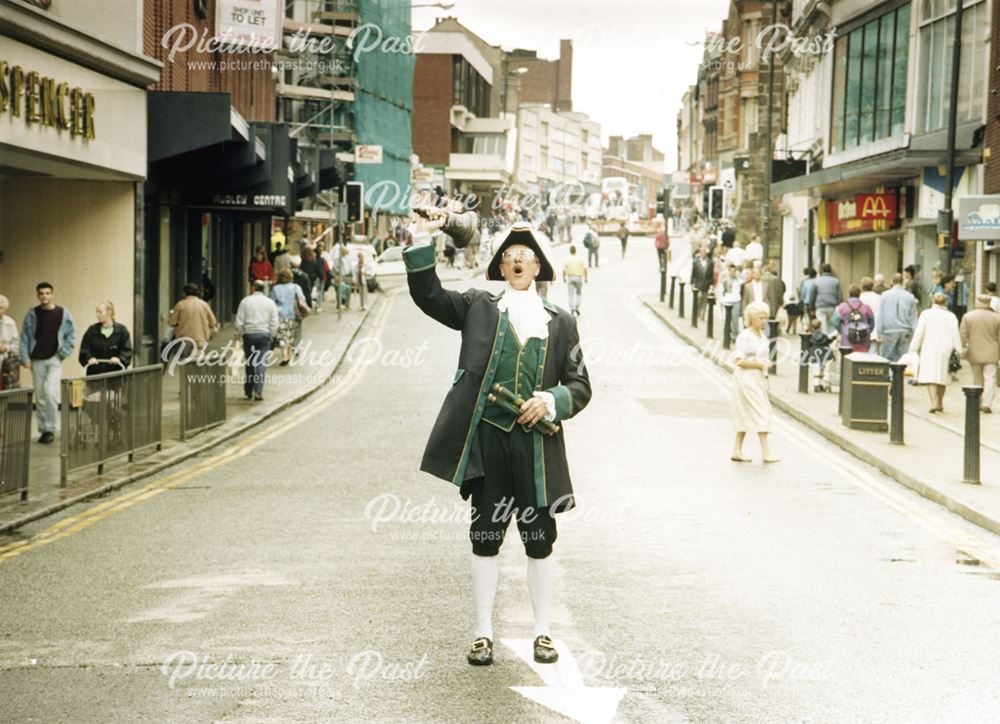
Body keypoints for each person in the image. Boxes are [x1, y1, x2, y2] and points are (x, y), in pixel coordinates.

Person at [403, 208, 591, 668]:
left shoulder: (562, 321)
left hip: (537, 449)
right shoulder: (476, 308)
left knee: (540, 539)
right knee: (485, 537)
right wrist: (424, 236)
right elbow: (428, 295)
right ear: (502, 267)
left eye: (527, 254)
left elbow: (581, 386)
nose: (519, 260)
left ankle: (543, 633)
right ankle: (482, 633)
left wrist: (550, 400)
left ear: (539, 266)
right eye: (511, 255)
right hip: (488, 445)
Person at [20, 282, 75, 444]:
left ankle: (50, 428)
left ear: (52, 294)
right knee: (41, 396)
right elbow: (24, 337)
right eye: (41, 293)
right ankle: (44, 430)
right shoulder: (32, 314)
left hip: (54, 359)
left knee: (51, 393)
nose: (44, 296)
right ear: (38, 295)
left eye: (47, 293)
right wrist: (25, 358)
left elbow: (71, 335)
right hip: (36, 359)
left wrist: (63, 353)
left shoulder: (63, 313)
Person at [730, 301, 778, 463]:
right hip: (746, 378)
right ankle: (766, 453)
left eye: (765, 318)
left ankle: (737, 450)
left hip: (757, 378)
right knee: (761, 411)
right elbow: (739, 361)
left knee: (745, 413)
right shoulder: (745, 336)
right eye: (760, 318)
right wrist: (760, 365)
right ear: (751, 319)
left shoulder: (762, 336)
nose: (763, 321)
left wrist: (764, 366)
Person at [909, 293, 962, 413]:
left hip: (929, 348)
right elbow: (955, 334)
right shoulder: (951, 316)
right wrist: (959, 350)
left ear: (933, 301)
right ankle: (940, 402)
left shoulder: (926, 314)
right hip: (946, 349)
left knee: (930, 376)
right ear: (946, 303)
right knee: (943, 376)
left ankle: (933, 401)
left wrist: (914, 348)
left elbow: (919, 332)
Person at [235, 280, 279, 401]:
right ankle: (258, 392)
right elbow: (274, 322)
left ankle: (248, 391)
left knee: (250, 363)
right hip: (264, 336)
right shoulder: (270, 303)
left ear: (253, 288)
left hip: (249, 335)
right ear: (263, 289)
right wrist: (272, 335)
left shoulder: (245, 301)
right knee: (261, 364)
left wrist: (239, 333)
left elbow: (239, 321)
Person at [960, 295, 1000, 413]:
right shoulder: (997, 318)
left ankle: (978, 402)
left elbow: (963, 335)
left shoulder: (968, 316)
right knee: (990, 378)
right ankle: (987, 404)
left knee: (977, 379)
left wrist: (964, 347)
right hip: (992, 352)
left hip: (974, 352)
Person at [78, 301, 132, 376]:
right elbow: (84, 349)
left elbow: (127, 350)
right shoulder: (92, 330)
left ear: (109, 312)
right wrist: (89, 358)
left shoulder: (122, 331)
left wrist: (120, 359)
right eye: (97, 312)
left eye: (100, 312)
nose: (97, 315)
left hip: (115, 373)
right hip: (95, 373)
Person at [167, 282, 216, 360]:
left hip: (184, 339)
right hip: (200, 339)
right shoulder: (204, 304)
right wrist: (208, 334)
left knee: (183, 363)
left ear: (184, 293)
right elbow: (213, 322)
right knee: (197, 363)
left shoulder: (180, 304)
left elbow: (172, 322)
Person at [875, 274, 918, 362]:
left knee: (887, 358)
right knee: (903, 359)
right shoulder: (910, 297)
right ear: (902, 282)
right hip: (905, 331)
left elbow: (880, 315)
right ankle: (900, 375)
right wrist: (915, 333)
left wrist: (879, 332)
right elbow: (913, 317)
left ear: (891, 281)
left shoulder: (884, 296)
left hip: (889, 331)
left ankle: (890, 375)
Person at [270, 269, 307, 365]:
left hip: (280, 316)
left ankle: (285, 356)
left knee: (282, 337)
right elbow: (302, 299)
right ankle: (289, 355)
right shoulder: (296, 287)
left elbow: (272, 303)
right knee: (290, 337)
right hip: (294, 315)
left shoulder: (276, 288)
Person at [833, 285, 875, 353]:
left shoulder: (841, 307)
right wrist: (867, 331)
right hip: (863, 340)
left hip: (846, 340)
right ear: (859, 294)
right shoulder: (867, 308)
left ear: (848, 294)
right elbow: (872, 323)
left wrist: (841, 330)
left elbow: (835, 321)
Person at [810, 263, 843, 335]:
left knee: (822, 326)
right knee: (833, 326)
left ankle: (824, 342)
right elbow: (840, 296)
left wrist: (812, 308)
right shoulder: (836, 281)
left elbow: (812, 296)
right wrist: (840, 307)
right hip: (832, 307)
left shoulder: (816, 281)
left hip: (820, 306)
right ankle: (832, 342)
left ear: (821, 270)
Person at [805, 318, 836, 392]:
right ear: (820, 326)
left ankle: (817, 385)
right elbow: (828, 341)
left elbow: (806, 346)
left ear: (812, 327)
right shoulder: (824, 335)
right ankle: (825, 385)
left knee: (816, 370)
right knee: (825, 369)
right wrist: (833, 338)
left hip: (814, 355)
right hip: (825, 354)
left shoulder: (809, 336)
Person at [0, 295, 20, 390]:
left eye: (1, 308)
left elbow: (16, 345)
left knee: (4, 391)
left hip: (5, 363)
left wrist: (6, 348)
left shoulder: (10, 322)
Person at [859, 277, 882, 353]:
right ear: (872, 286)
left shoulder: (859, 298)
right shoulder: (878, 298)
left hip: (861, 329)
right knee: (873, 352)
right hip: (874, 329)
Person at [563, 245, 587, 316]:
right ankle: (577, 306)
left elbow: (564, 270)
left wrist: (564, 278)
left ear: (570, 251)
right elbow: (585, 268)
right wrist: (585, 278)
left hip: (570, 277)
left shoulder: (567, 259)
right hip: (578, 277)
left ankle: (572, 308)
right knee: (578, 293)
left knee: (570, 294)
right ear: (575, 251)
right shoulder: (580, 259)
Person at [721, 264, 743, 339]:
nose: (733, 272)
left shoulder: (739, 280)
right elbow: (722, 291)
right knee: (727, 319)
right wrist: (722, 301)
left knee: (735, 319)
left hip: (736, 301)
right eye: (732, 271)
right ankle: (727, 334)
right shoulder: (725, 280)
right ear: (729, 271)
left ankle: (735, 335)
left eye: (735, 271)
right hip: (728, 301)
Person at [690, 246, 712, 319]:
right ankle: (697, 313)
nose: (703, 254)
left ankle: (703, 315)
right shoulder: (696, 262)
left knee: (705, 300)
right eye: (701, 252)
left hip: (706, 284)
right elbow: (693, 273)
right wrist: (691, 282)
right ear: (699, 253)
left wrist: (711, 284)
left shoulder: (710, 262)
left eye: (704, 253)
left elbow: (711, 274)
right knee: (698, 299)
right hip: (698, 284)